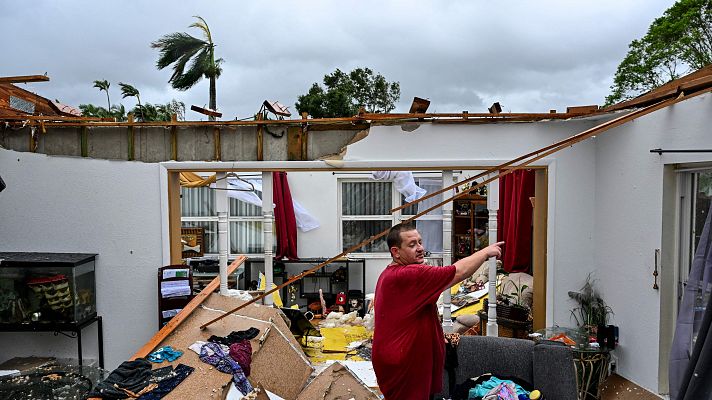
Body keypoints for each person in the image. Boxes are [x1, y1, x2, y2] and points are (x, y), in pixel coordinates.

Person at [372, 223, 503, 400]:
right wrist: (485, 252)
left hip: (404, 359)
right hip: (404, 363)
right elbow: (458, 272)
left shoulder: (393, 272)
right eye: (412, 245)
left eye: (420, 242)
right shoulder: (408, 274)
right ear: (396, 252)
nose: (419, 248)